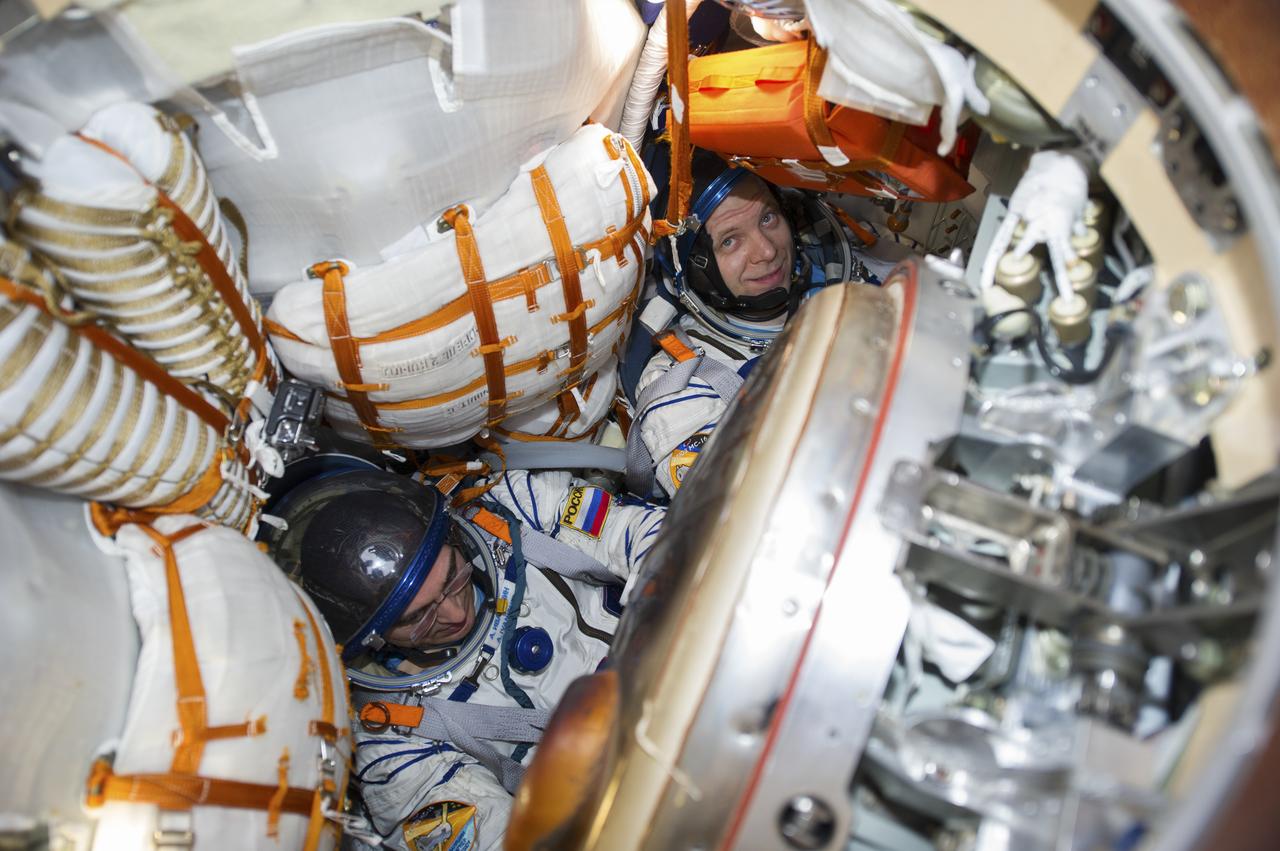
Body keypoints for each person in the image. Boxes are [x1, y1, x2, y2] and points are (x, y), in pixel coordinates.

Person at [267, 459, 665, 851]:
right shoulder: (395, 743)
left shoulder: (510, 508)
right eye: (418, 618)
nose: (456, 613)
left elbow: (653, 536)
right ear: (371, 638)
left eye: (452, 578)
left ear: (452, 539)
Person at [625, 148, 888, 499]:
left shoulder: (851, 268)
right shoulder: (679, 387)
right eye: (730, 240)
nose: (766, 251)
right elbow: (738, 509)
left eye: (767, 218)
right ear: (694, 265)